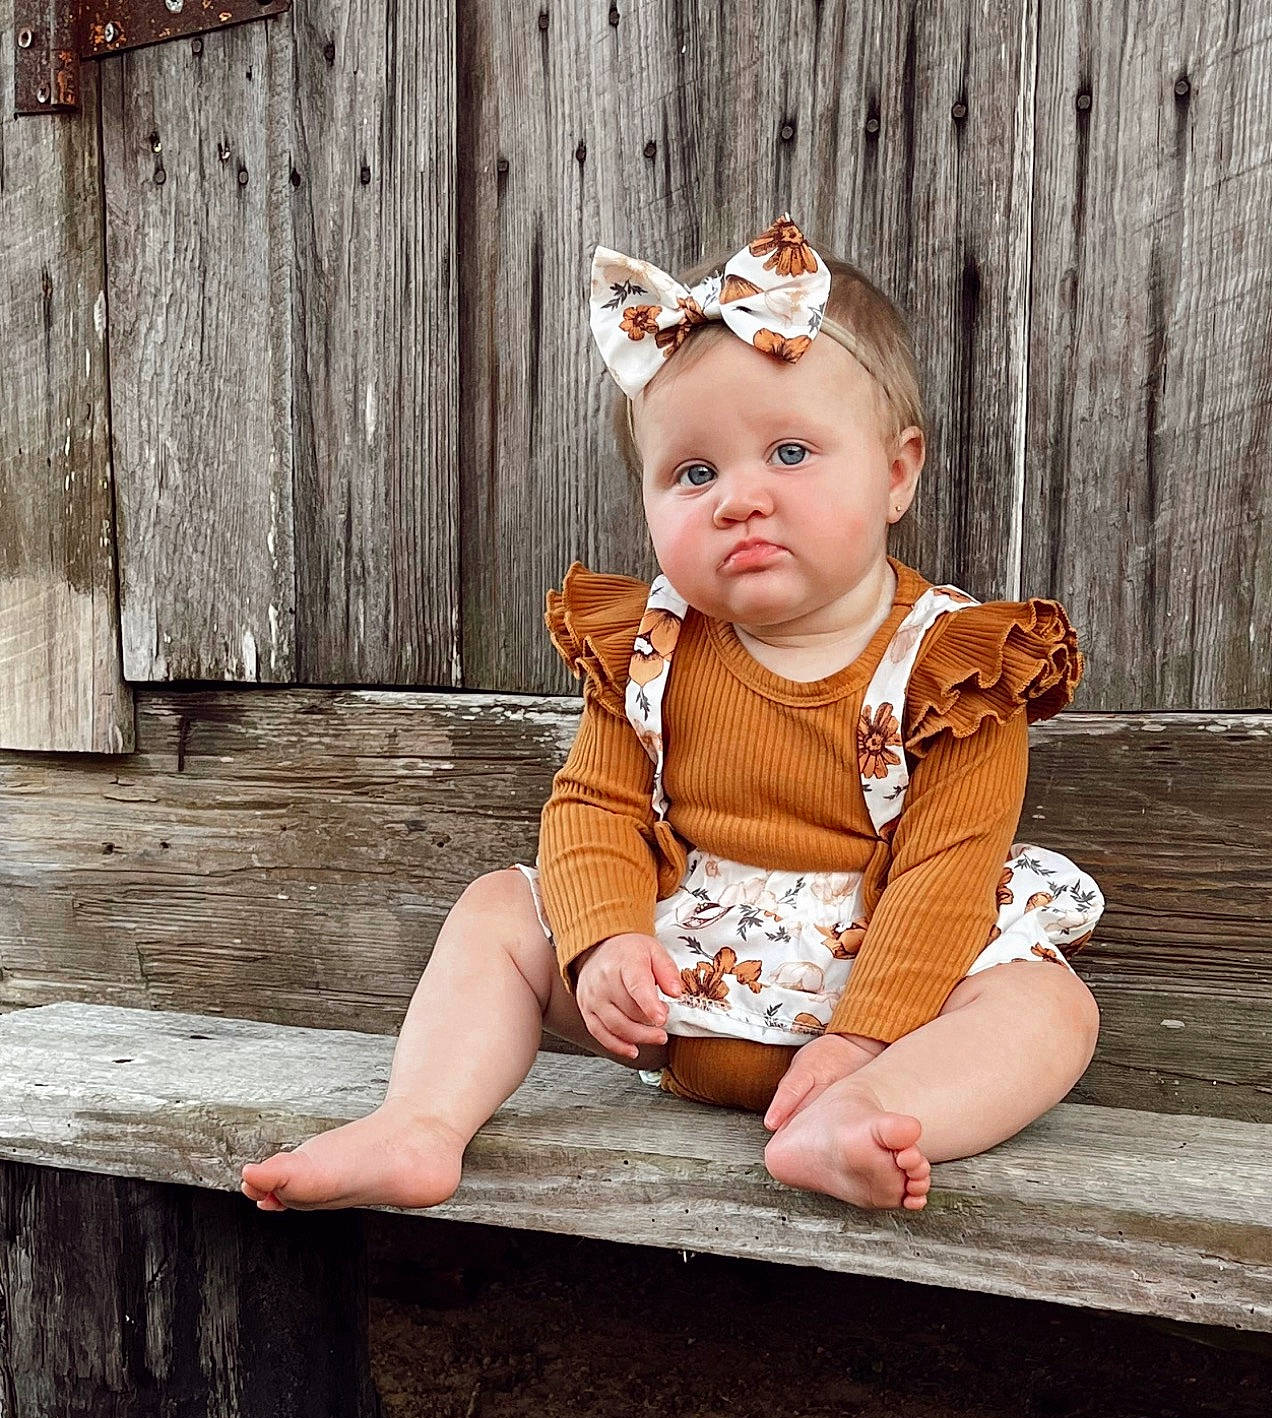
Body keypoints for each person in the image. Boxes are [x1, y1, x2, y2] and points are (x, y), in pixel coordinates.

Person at [240, 216, 1103, 1218]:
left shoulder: (958, 666)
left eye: (789, 451)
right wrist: (605, 942)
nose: (740, 499)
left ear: (897, 470)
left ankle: (863, 1116)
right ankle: (421, 1123)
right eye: (695, 473)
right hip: (677, 989)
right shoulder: (648, 647)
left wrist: (864, 1038)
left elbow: (947, 870)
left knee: (1046, 1007)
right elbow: (593, 807)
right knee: (497, 910)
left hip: (886, 993)